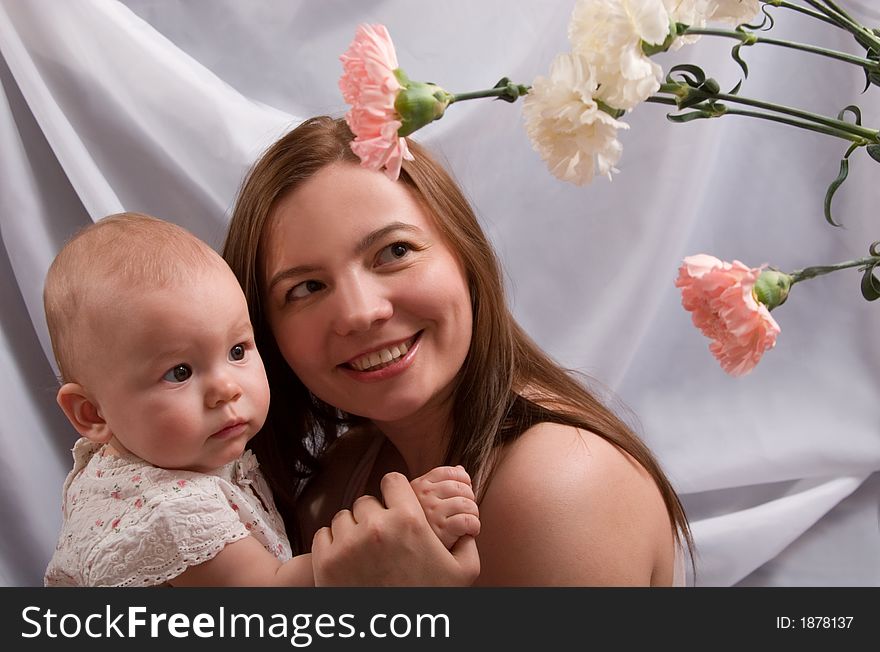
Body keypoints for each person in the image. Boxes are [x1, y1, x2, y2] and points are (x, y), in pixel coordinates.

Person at [222, 116, 695, 586]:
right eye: (306, 287)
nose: (360, 312)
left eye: (394, 251)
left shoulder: (559, 484)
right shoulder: (337, 479)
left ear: (465, 257)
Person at [42, 212, 480, 587]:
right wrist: (402, 528)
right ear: (92, 413)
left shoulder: (157, 454)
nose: (226, 389)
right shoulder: (170, 514)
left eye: (237, 352)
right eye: (179, 372)